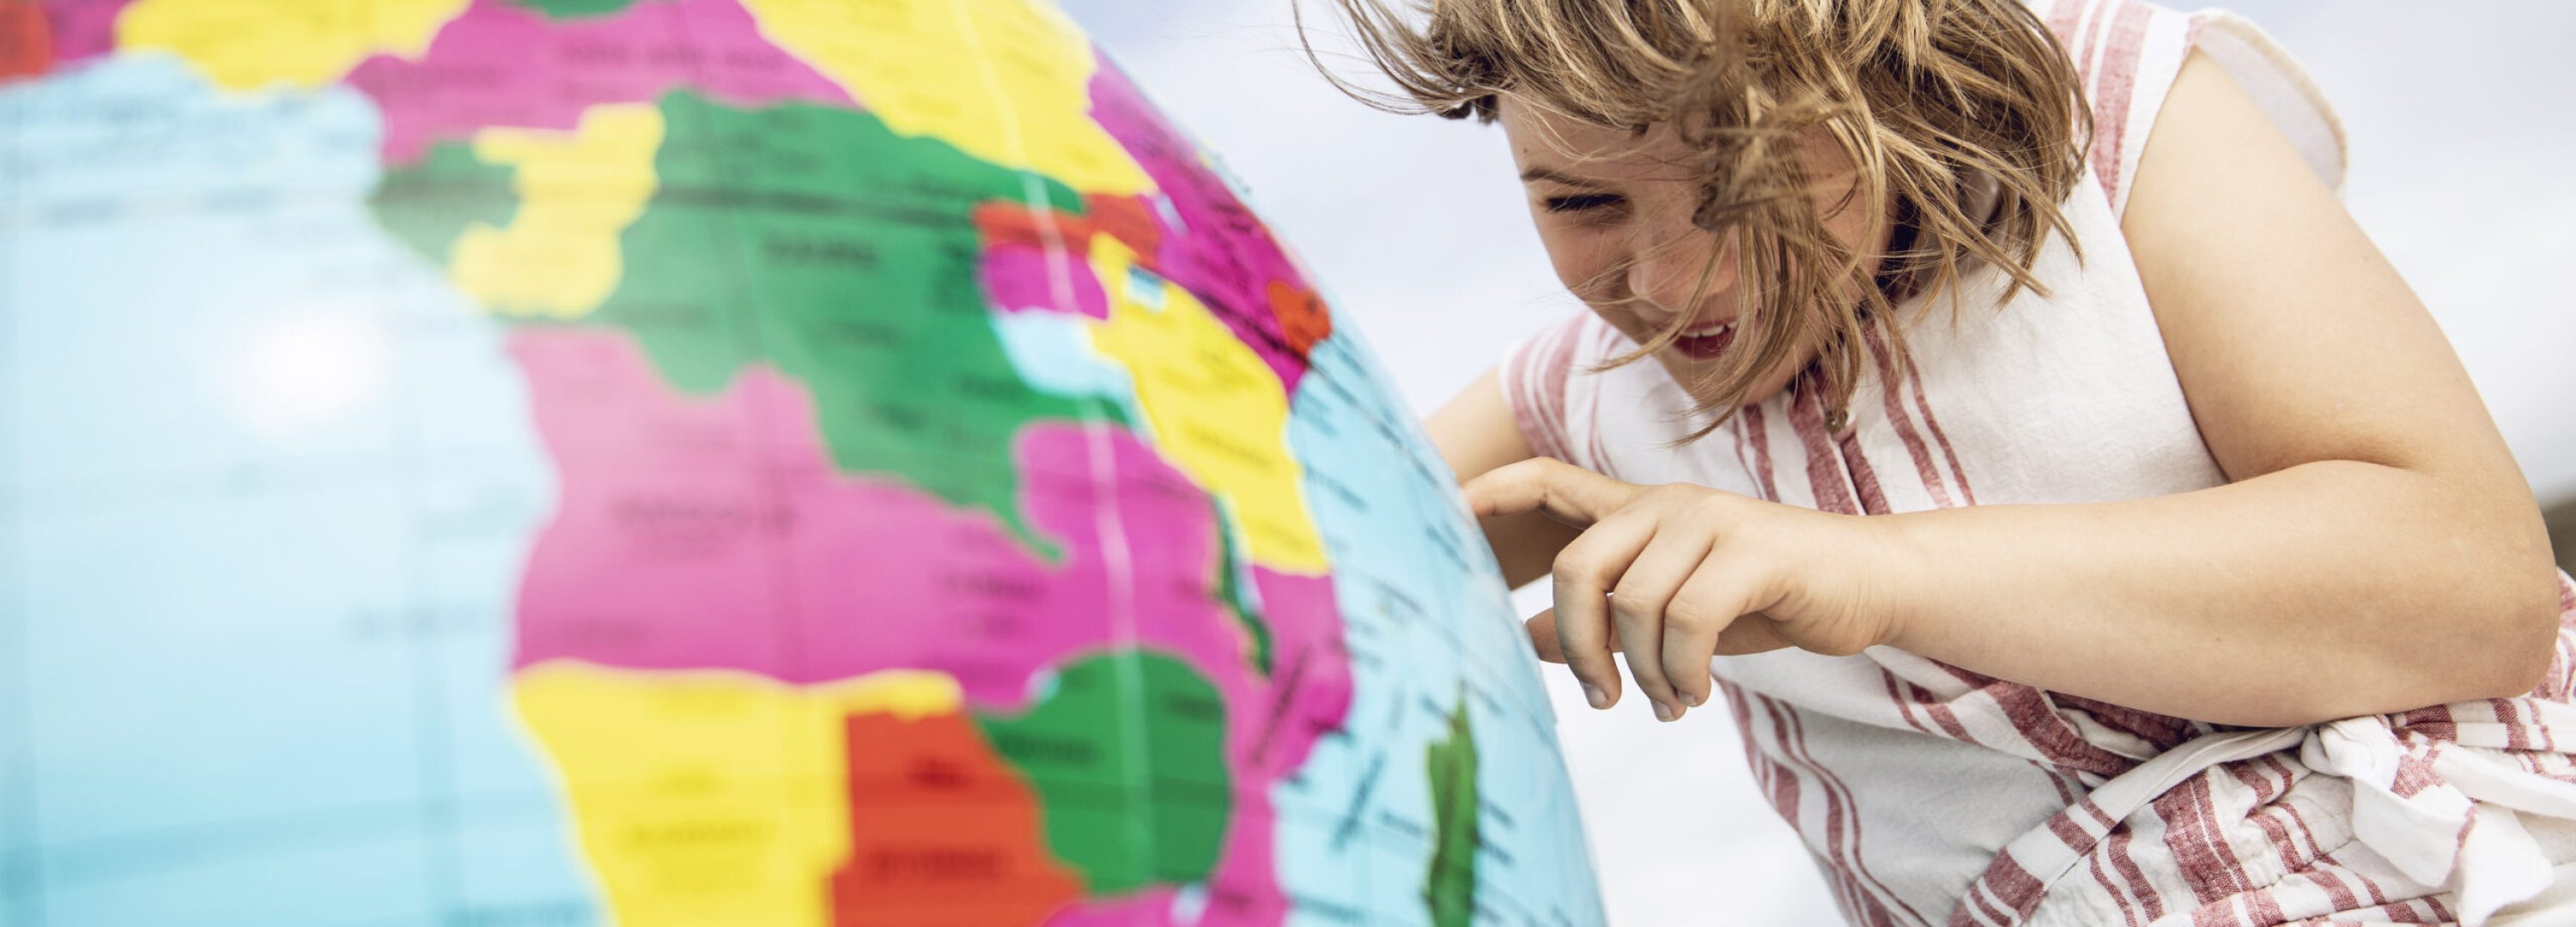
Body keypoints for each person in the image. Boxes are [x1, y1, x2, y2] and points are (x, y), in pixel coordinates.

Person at [1311, 0, 2576, 923]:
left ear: (1877, 73)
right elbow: (1261, 552)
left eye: (1741, 180)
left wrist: (1881, 574)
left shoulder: (2116, 124)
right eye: (1580, 204)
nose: (1662, 282)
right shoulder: (1578, 394)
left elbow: (2476, 595)